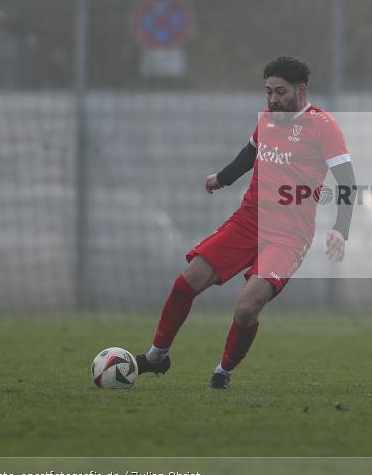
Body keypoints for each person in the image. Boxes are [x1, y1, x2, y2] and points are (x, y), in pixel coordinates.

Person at [135, 57, 356, 389]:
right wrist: (221, 178)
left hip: (289, 236)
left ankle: (223, 372)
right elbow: (250, 154)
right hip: (247, 222)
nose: (272, 100)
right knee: (187, 282)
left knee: (246, 308)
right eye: (268, 92)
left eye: (280, 92)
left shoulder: (323, 126)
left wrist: (341, 227)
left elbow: (347, 180)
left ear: (301, 90)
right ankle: (156, 357)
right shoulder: (267, 119)